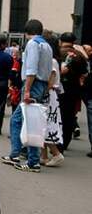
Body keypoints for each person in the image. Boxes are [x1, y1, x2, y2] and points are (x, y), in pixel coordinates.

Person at [1, 19, 53, 172]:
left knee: (28, 123)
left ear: (26, 32)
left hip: (33, 84)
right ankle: (17, 154)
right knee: (22, 120)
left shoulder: (32, 44)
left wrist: (28, 89)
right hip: (41, 84)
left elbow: (31, 69)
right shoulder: (47, 45)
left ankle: (32, 161)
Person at [58, 32, 88, 151]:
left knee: (57, 116)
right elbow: (85, 72)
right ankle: (65, 142)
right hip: (73, 90)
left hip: (58, 90)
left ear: (61, 41)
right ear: (74, 42)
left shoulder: (58, 53)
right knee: (69, 116)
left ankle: (55, 141)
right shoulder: (79, 55)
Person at [40, 33, 65, 167]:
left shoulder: (51, 61)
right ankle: (43, 155)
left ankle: (55, 153)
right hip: (51, 95)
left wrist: (43, 92)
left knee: (45, 125)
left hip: (48, 95)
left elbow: (51, 79)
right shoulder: (54, 59)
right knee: (43, 126)